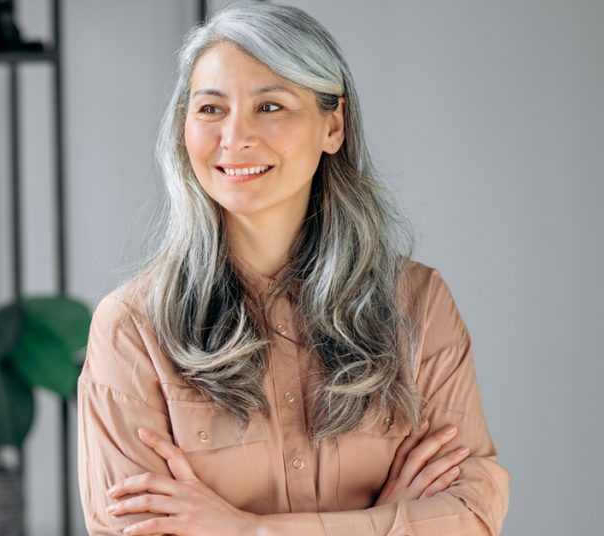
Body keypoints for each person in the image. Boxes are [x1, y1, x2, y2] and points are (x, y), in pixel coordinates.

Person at [75, 2, 510, 535]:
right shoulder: (132, 329)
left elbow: (471, 515)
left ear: (333, 125)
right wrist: (381, 522)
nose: (234, 137)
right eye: (211, 109)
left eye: (271, 106)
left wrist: (244, 529)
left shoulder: (418, 303)